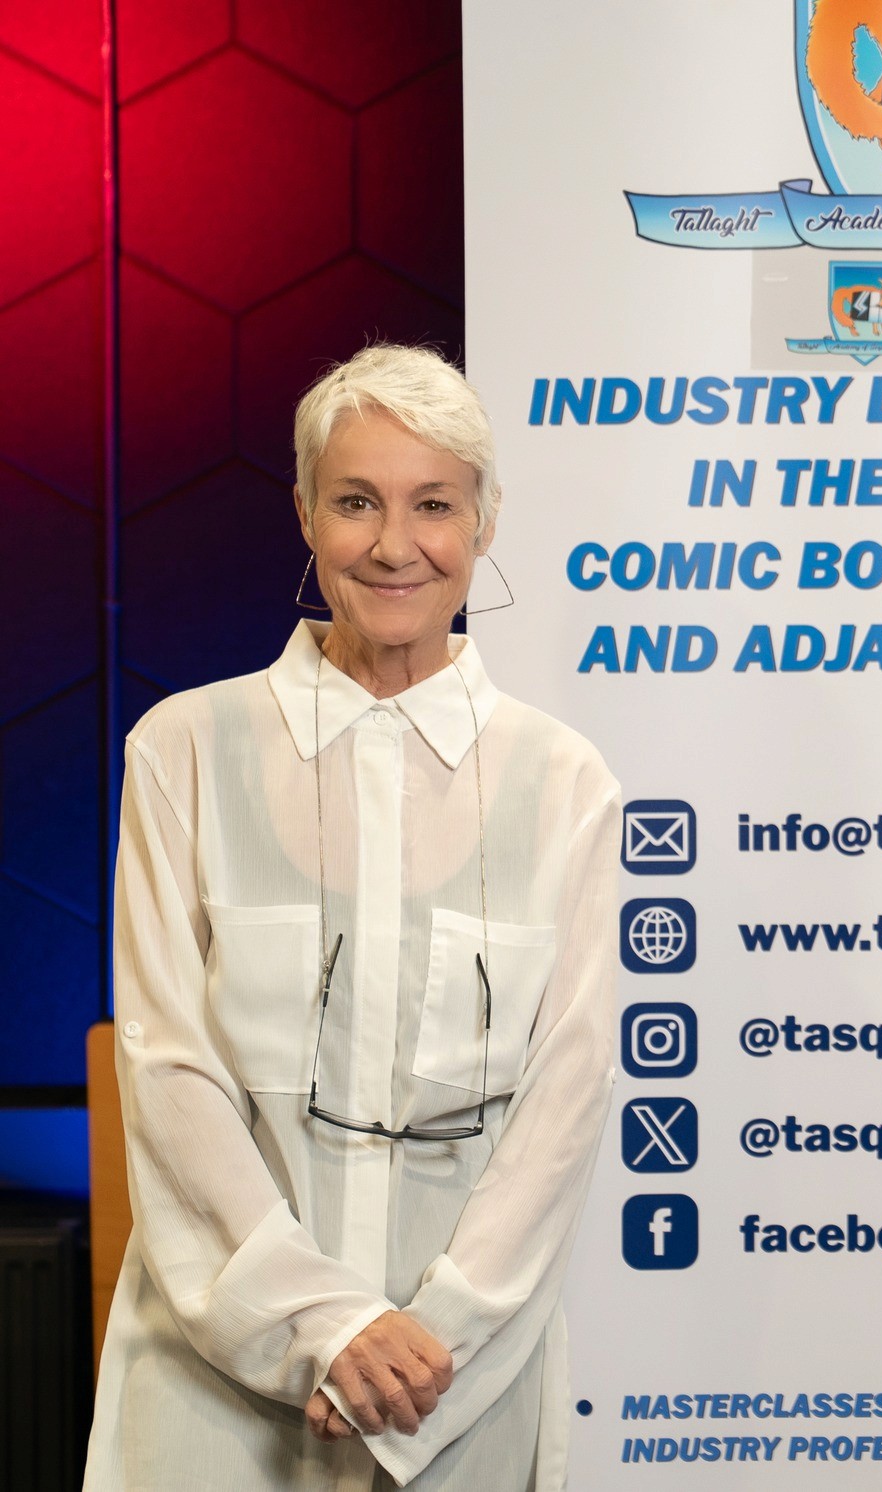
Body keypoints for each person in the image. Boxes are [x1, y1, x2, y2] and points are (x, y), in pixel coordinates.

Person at [86, 345, 622, 1490]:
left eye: (434, 504)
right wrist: (323, 1329)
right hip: (215, 1383)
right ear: (304, 514)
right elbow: (168, 1070)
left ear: (484, 522)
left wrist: (427, 1349)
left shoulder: (563, 782)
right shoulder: (184, 751)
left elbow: (565, 1102)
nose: (393, 544)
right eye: (356, 502)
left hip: (457, 1381)